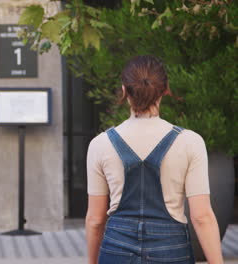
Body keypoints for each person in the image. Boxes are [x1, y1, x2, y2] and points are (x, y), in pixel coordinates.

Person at [85, 55, 223, 264]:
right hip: (171, 250)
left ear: (124, 90)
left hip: (116, 250)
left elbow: (95, 220)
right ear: (166, 89)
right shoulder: (190, 142)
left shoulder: (100, 144)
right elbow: (202, 217)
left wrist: (92, 261)